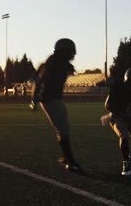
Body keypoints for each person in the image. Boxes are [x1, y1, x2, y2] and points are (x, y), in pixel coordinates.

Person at [29, 38, 84, 173]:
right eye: (70, 52)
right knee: (62, 129)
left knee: (65, 127)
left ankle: (66, 158)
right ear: (63, 52)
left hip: (56, 99)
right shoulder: (50, 65)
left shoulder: (61, 64)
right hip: (48, 99)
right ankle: (71, 162)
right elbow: (38, 82)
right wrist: (34, 100)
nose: (73, 55)